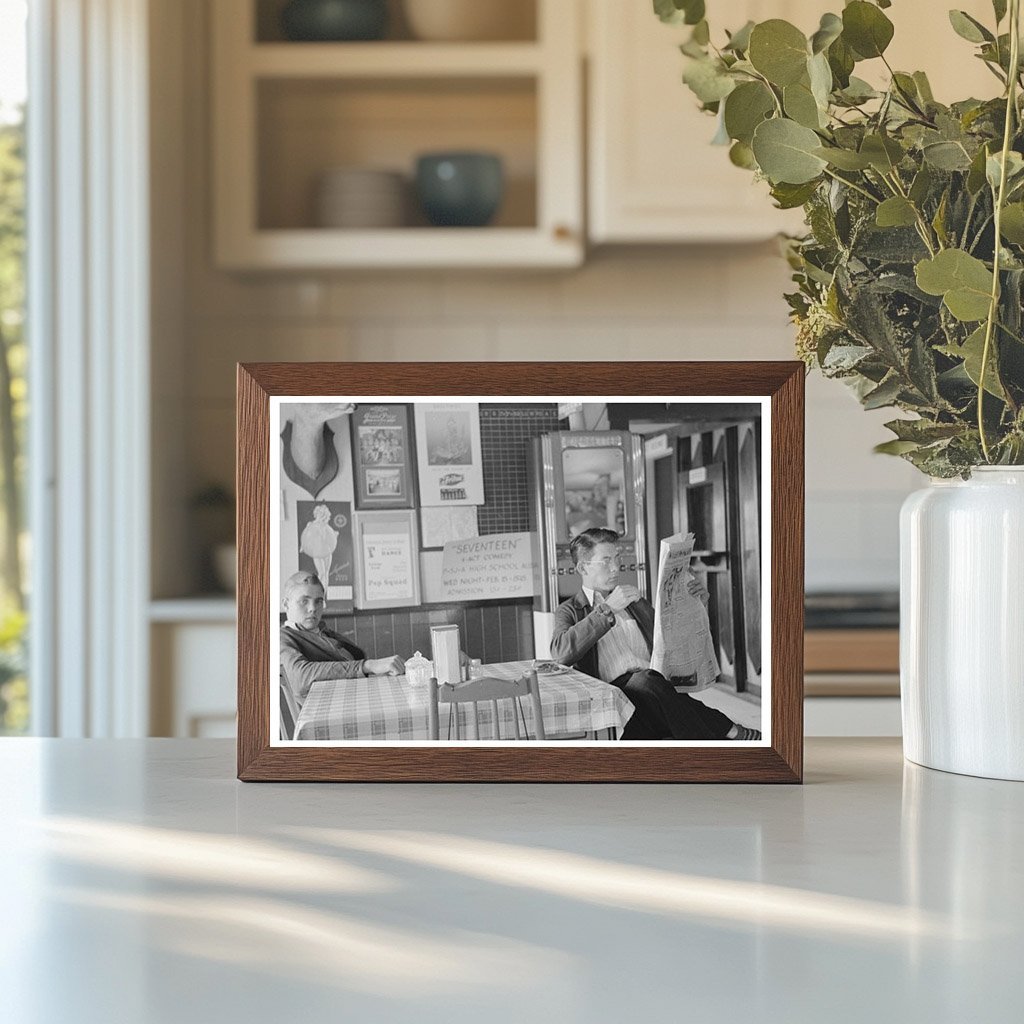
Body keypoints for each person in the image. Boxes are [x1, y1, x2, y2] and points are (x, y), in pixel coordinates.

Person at [550, 528, 761, 741]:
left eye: (617, 558)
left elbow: (668, 640)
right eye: (605, 561)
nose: (615, 568)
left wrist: (693, 605)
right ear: (582, 568)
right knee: (649, 684)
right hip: (616, 698)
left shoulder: (634, 601)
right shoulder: (570, 609)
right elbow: (561, 653)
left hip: (655, 693)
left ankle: (722, 740)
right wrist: (607, 610)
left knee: (654, 687)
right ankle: (728, 732)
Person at [280, 571, 405, 711]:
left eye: (318, 601)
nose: (313, 608)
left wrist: (376, 670)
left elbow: (356, 658)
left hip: (357, 700)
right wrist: (368, 666)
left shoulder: (322, 631)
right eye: (304, 601)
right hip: (330, 714)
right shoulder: (283, 637)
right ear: (286, 604)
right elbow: (300, 677)